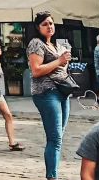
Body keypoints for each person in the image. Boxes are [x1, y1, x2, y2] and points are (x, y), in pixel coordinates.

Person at [28, 11, 73, 180]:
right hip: (46, 93)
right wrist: (60, 61)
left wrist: (64, 60)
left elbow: (61, 68)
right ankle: (52, 176)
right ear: (38, 27)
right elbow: (36, 70)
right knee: (54, 138)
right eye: (45, 24)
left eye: (51, 23)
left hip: (62, 92)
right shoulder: (36, 44)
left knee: (58, 137)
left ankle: (52, 173)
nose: (49, 26)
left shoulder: (56, 45)